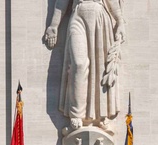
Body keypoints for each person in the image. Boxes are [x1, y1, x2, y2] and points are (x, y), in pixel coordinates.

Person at [43, 0, 124, 131]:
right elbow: (61, 3)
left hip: (100, 16)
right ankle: (76, 114)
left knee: (100, 67)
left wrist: (120, 20)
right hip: (78, 16)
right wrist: (54, 25)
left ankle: (100, 116)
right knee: (79, 64)